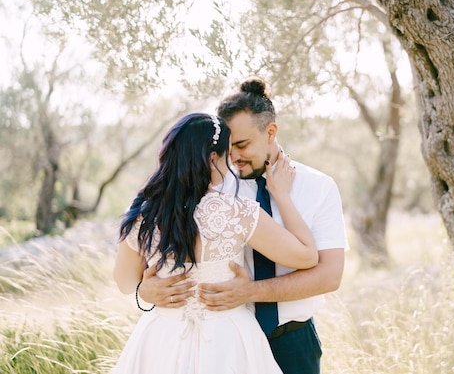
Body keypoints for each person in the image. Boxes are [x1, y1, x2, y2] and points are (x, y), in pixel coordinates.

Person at [138, 78, 348, 374]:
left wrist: (250, 292)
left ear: (271, 132)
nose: (234, 156)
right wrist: (143, 291)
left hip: (294, 341)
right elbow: (167, 249)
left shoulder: (319, 187)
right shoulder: (215, 188)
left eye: (242, 144)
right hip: (226, 343)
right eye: (228, 147)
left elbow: (329, 276)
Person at [111, 113, 319, 374]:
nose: (232, 159)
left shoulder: (144, 214)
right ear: (212, 159)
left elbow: (125, 283)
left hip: (162, 337)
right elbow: (307, 256)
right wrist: (281, 195)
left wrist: (145, 290)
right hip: (227, 338)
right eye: (227, 153)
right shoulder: (236, 213)